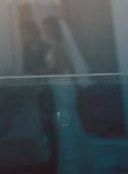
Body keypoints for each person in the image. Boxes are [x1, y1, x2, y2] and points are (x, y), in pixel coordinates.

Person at [42, 15, 99, 174]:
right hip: (61, 87)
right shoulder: (57, 45)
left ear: (52, 29)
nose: (44, 31)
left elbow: (61, 67)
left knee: (65, 124)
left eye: (45, 28)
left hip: (63, 87)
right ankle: (80, 162)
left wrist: (43, 72)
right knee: (70, 122)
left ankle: (72, 166)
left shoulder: (58, 46)